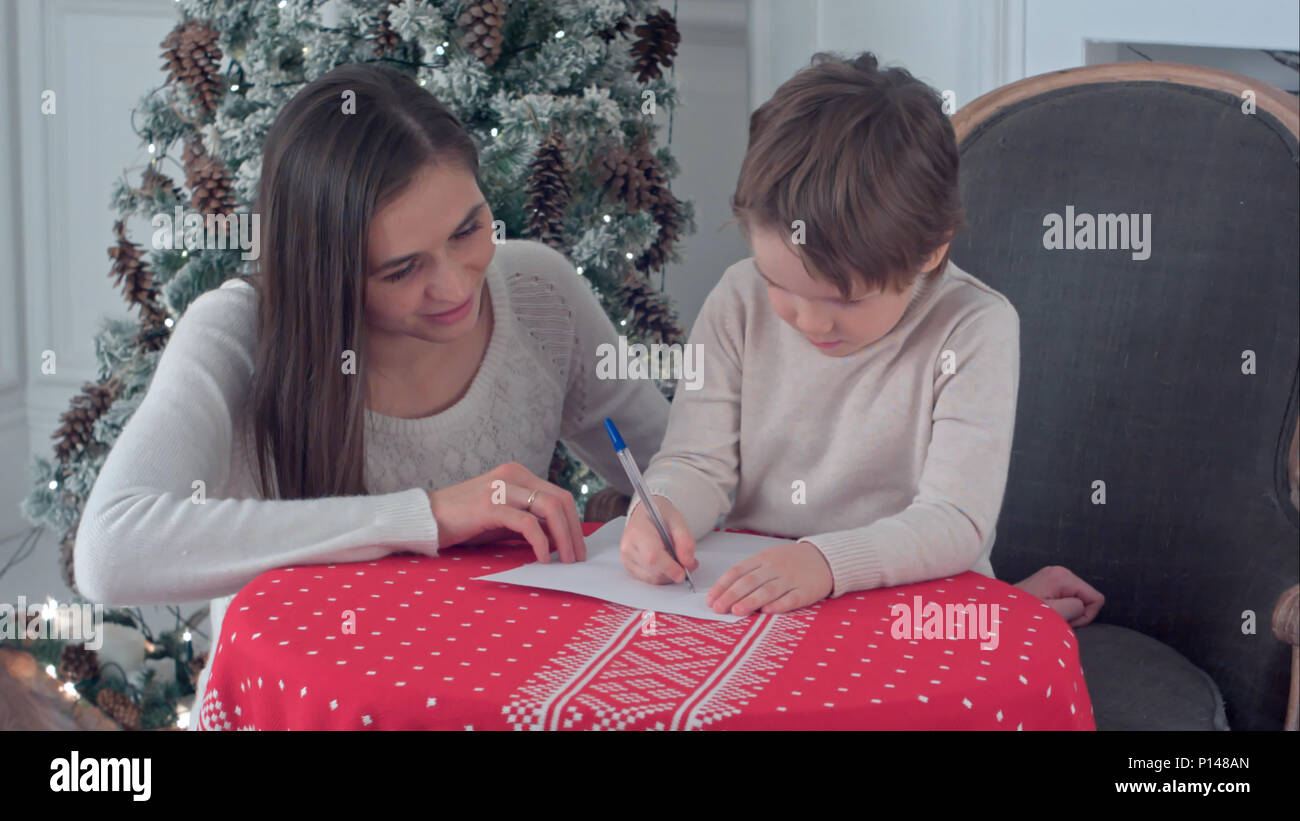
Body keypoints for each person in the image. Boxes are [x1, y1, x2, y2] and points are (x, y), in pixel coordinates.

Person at [72, 63, 669, 727]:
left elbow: (674, 470)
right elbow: (110, 551)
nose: (455, 286)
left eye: (468, 230)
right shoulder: (241, 332)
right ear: (326, 272)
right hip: (301, 712)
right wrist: (428, 516)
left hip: (493, 702)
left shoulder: (539, 291)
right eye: (402, 269)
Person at [618, 52, 1104, 628]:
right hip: (760, 601)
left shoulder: (974, 327)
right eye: (779, 284)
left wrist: (824, 563)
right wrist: (664, 506)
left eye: (844, 300)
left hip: (910, 609)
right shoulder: (738, 298)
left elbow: (954, 519)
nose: (811, 323)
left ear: (931, 250)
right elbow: (698, 460)